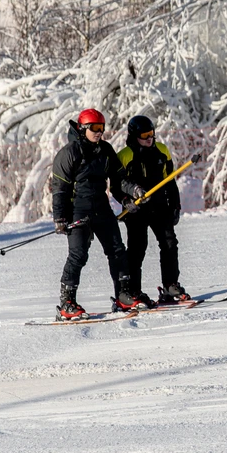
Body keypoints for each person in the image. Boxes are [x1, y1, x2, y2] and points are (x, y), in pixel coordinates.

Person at [49, 108, 155, 320]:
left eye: (102, 128)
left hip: (101, 207)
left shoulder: (105, 150)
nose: (99, 132)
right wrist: (60, 218)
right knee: (78, 255)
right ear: (82, 128)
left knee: (117, 250)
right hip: (78, 210)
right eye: (94, 128)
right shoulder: (69, 153)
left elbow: (118, 181)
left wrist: (131, 194)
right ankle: (67, 303)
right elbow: (60, 188)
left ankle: (123, 294)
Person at [117, 115, 191, 304]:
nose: (149, 138)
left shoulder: (162, 151)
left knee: (169, 244)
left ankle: (170, 286)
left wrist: (175, 205)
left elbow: (170, 180)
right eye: (144, 135)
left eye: (151, 134)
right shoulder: (125, 156)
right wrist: (126, 201)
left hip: (160, 207)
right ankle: (133, 291)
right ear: (134, 136)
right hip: (137, 211)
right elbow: (116, 186)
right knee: (137, 249)